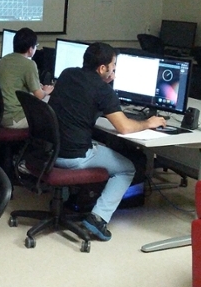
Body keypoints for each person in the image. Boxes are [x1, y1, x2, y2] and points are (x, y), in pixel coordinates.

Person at [48, 42, 166, 241]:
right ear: (102, 68)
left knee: (102, 144)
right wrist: (148, 122)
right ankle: (98, 218)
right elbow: (124, 127)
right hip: (75, 157)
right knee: (127, 168)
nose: (115, 70)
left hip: (51, 151)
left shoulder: (67, 74)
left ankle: (78, 200)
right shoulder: (102, 90)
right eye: (113, 66)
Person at [0, 27, 54, 128]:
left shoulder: (4, 59)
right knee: (50, 117)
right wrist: (45, 91)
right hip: (14, 117)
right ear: (30, 49)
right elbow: (39, 96)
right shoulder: (29, 64)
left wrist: (34, 85)